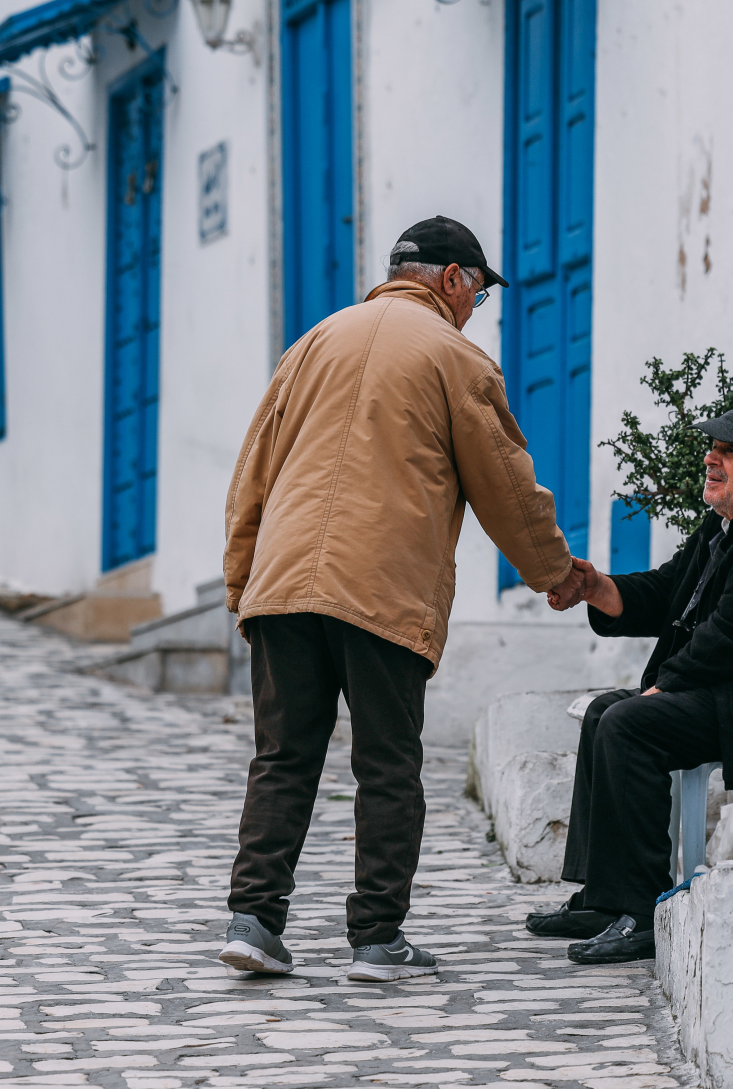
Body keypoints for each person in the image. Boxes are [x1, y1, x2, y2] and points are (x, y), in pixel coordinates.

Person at [219, 215, 590, 982]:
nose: (476, 307)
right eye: (478, 292)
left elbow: (251, 474)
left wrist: (242, 583)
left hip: (284, 583)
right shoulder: (457, 358)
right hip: (381, 589)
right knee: (387, 764)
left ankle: (254, 923)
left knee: (282, 758)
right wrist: (555, 573)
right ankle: (375, 938)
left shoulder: (313, 343)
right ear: (452, 280)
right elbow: (506, 486)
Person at [527, 403, 733, 964]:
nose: (711, 457)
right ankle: (605, 898)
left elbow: (731, 634)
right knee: (608, 711)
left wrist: (665, 687)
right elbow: (671, 591)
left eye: (730, 451)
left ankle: (640, 910)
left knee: (631, 723)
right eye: (714, 447)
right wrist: (597, 587)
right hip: (732, 691)